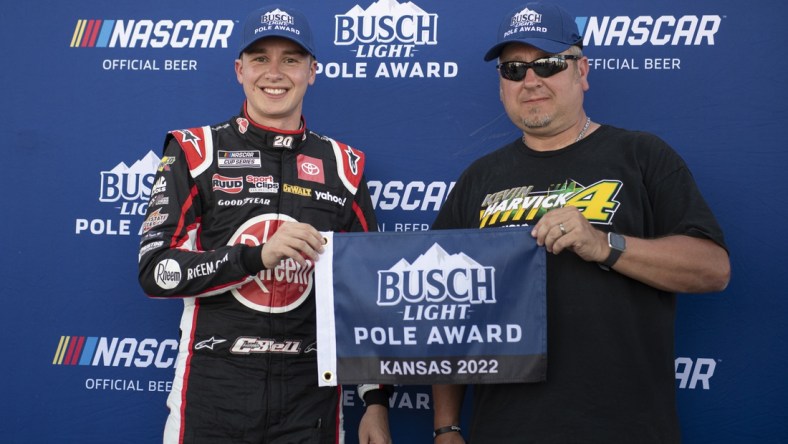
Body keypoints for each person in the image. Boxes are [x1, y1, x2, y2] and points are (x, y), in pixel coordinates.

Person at [431, 2, 730, 443]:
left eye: (549, 64)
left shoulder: (642, 156)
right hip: (505, 429)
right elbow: (440, 315)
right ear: (501, 86)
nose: (530, 81)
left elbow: (713, 269)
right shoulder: (479, 178)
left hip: (624, 428)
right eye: (513, 70)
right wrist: (446, 426)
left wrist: (605, 245)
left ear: (581, 71)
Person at [138, 5, 392, 443]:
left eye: (291, 59)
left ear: (312, 71)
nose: (274, 72)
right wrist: (255, 257)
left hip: (309, 400)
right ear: (239, 69)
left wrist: (374, 401)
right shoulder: (195, 151)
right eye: (260, 58)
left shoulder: (344, 165)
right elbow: (156, 272)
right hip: (212, 392)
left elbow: (365, 293)